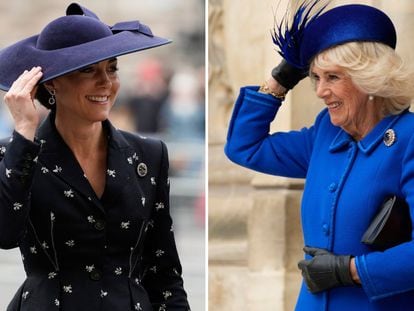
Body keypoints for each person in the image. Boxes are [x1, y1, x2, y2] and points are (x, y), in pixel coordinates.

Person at [225, 1, 414, 310]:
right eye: (315, 77)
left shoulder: (408, 139)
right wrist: (280, 80)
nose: (320, 91)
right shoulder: (326, 136)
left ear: (370, 77)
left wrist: (351, 271)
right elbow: (244, 148)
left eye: (333, 77)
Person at [0, 3, 190, 311]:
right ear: (52, 82)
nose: (106, 82)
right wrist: (24, 131)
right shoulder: (15, 152)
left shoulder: (149, 155)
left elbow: (164, 272)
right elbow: (5, 234)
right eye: (88, 70)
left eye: (112, 68)